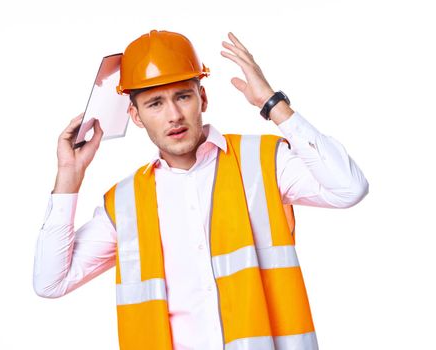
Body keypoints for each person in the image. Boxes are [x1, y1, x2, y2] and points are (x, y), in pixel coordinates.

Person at [33, 30, 369, 350]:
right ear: (135, 116)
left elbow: (349, 188)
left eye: (183, 96)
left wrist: (272, 103)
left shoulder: (263, 161)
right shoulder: (124, 202)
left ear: (202, 97)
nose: (174, 115)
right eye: (155, 104)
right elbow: (50, 282)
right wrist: (69, 175)